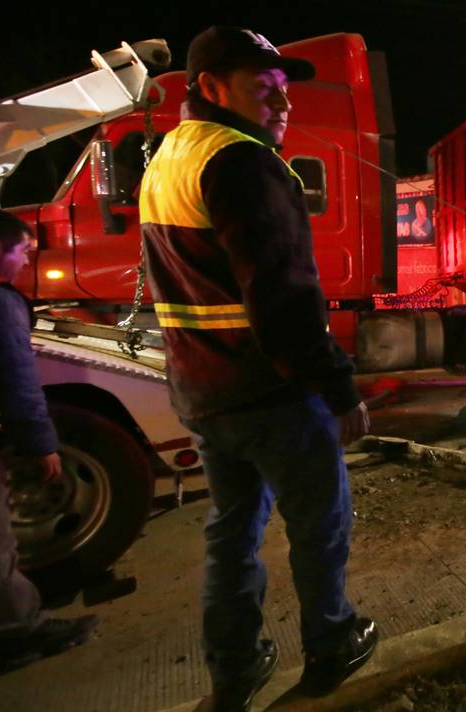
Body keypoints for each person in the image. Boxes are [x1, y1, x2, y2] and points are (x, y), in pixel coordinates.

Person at [139, 27, 377, 709]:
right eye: (262, 89)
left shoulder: (169, 157)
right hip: (270, 391)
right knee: (318, 522)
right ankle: (332, 643)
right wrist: (337, 390)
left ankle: (234, 669)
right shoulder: (243, 161)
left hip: (203, 393)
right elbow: (285, 298)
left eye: (284, 90)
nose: (282, 103)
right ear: (212, 88)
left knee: (231, 534)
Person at [0, 207, 99, 670]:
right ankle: (20, 633)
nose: (27, 263)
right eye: (24, 252)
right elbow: (16, 381)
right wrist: (40, 443)